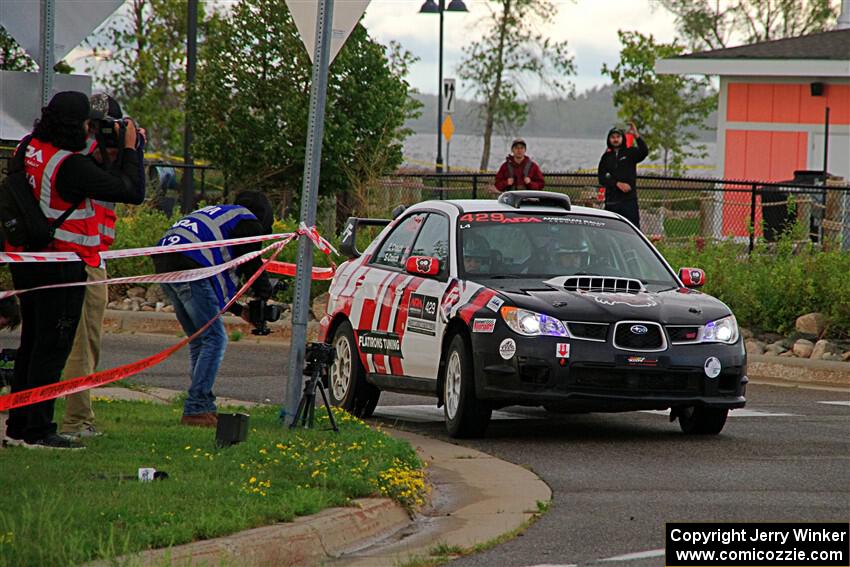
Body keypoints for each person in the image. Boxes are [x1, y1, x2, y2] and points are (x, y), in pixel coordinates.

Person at [4, 91, 145, 449]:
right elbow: (132, 191)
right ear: (75, 126)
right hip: (63, 263)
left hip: (28, 260)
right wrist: (132, 150)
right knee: (52, 348)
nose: (89, 130)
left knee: (31, 344)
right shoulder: (70, 166)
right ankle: (39, 431)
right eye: (87, 124)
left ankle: (19, 426)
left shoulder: (28, 147)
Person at [60, 93, 146, 440]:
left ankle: (52, 416)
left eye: (109, 128)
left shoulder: (98, 160)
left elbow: (127, 187)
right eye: (95, 127)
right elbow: (134, 191)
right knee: (81, 346)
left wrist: (128, 152)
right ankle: (75, 421)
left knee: (79, 345)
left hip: (88, 256)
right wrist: (129, 151)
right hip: (78, 260)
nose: (102, 135)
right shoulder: (78, 161)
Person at [153, 192, 275, 427]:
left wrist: (240, 311)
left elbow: (215, 283)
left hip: (166, 261)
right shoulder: (247, 220)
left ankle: (203, 405)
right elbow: (252, 262)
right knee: (215, 339)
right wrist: (264, 292)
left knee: (200, 339)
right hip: (190, 265)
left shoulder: (222, 215)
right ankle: (196, 408)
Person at [597, 123, 648, 228]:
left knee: (632, 227)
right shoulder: (606, 157)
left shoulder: (630, 153)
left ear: (622, 138)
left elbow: (644, 152)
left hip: (628, 201)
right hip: (611, 201)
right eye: (613, 137)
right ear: (609, 140)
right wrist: (617, 184)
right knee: (611, 229)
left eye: (618, 137)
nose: (615, 139)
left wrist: (636, 135)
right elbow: (601, 178)